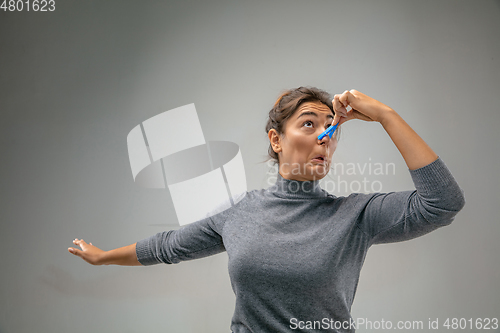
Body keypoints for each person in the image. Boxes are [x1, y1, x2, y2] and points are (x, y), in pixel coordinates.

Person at [68, 87, 465, 332]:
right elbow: (167, 246)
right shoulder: (240, 214)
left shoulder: (355, 217)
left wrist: (385, 116)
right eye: (309, 124)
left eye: (331, 127)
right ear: (276, 140)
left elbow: (443, 203)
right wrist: (102, 258)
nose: (324, 137)